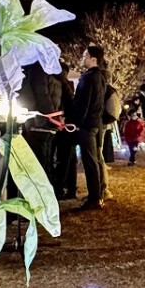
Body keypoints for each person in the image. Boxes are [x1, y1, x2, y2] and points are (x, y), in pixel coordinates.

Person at [72, 45, 108, 209]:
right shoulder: (100, 77)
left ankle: (94, 198)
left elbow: (83, 103)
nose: (83, 58)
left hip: (87, 124)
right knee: (94, 159)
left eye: (85, 55)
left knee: (90, 161)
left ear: (93, 59)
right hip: (96, 122)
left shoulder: (88, 78)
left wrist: (77, 122)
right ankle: (97, 193)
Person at [51, 62, 78, 199]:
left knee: (63, 158)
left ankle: (61, 188)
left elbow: (68, 102)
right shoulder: (68, 84)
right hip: (66, 126)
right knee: (68, 158)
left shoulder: (60, 83)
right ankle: (69, 188)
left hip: (62, 125)